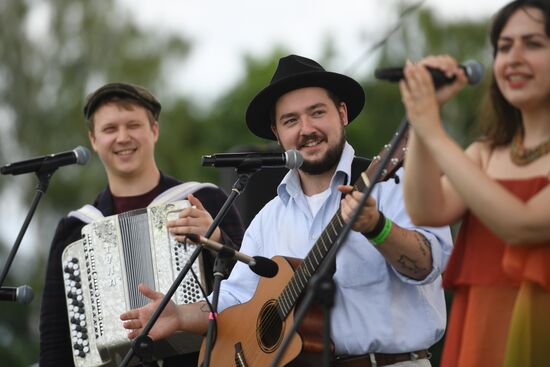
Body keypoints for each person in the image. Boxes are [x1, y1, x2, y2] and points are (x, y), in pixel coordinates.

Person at [120, 55, 453, 366]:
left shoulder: (397, 184)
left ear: (342, 114)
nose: (306, 129)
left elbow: (429, 265)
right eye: (291, 120)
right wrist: (179, 316)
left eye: (317, 112)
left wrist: (378, 228)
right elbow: (236, 297)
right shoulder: (269, 217)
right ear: (278, 134)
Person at [39, 82, 244, 366]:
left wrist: (219, 241)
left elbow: (250, 290)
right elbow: (55, 334)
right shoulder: (75, 228)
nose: (123, 137)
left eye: (133, 125)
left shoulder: (205, 199)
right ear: (94, 140)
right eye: (110, 129)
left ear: (154, 130)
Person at [399, 1, 550, 366]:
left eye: (533, 44)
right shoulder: (484, 154)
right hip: (480, 336)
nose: (513, 57)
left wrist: (435, 133)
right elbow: (425, 208)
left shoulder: (473, 157)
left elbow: (522, 225)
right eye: (503, 46)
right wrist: (423, 125)